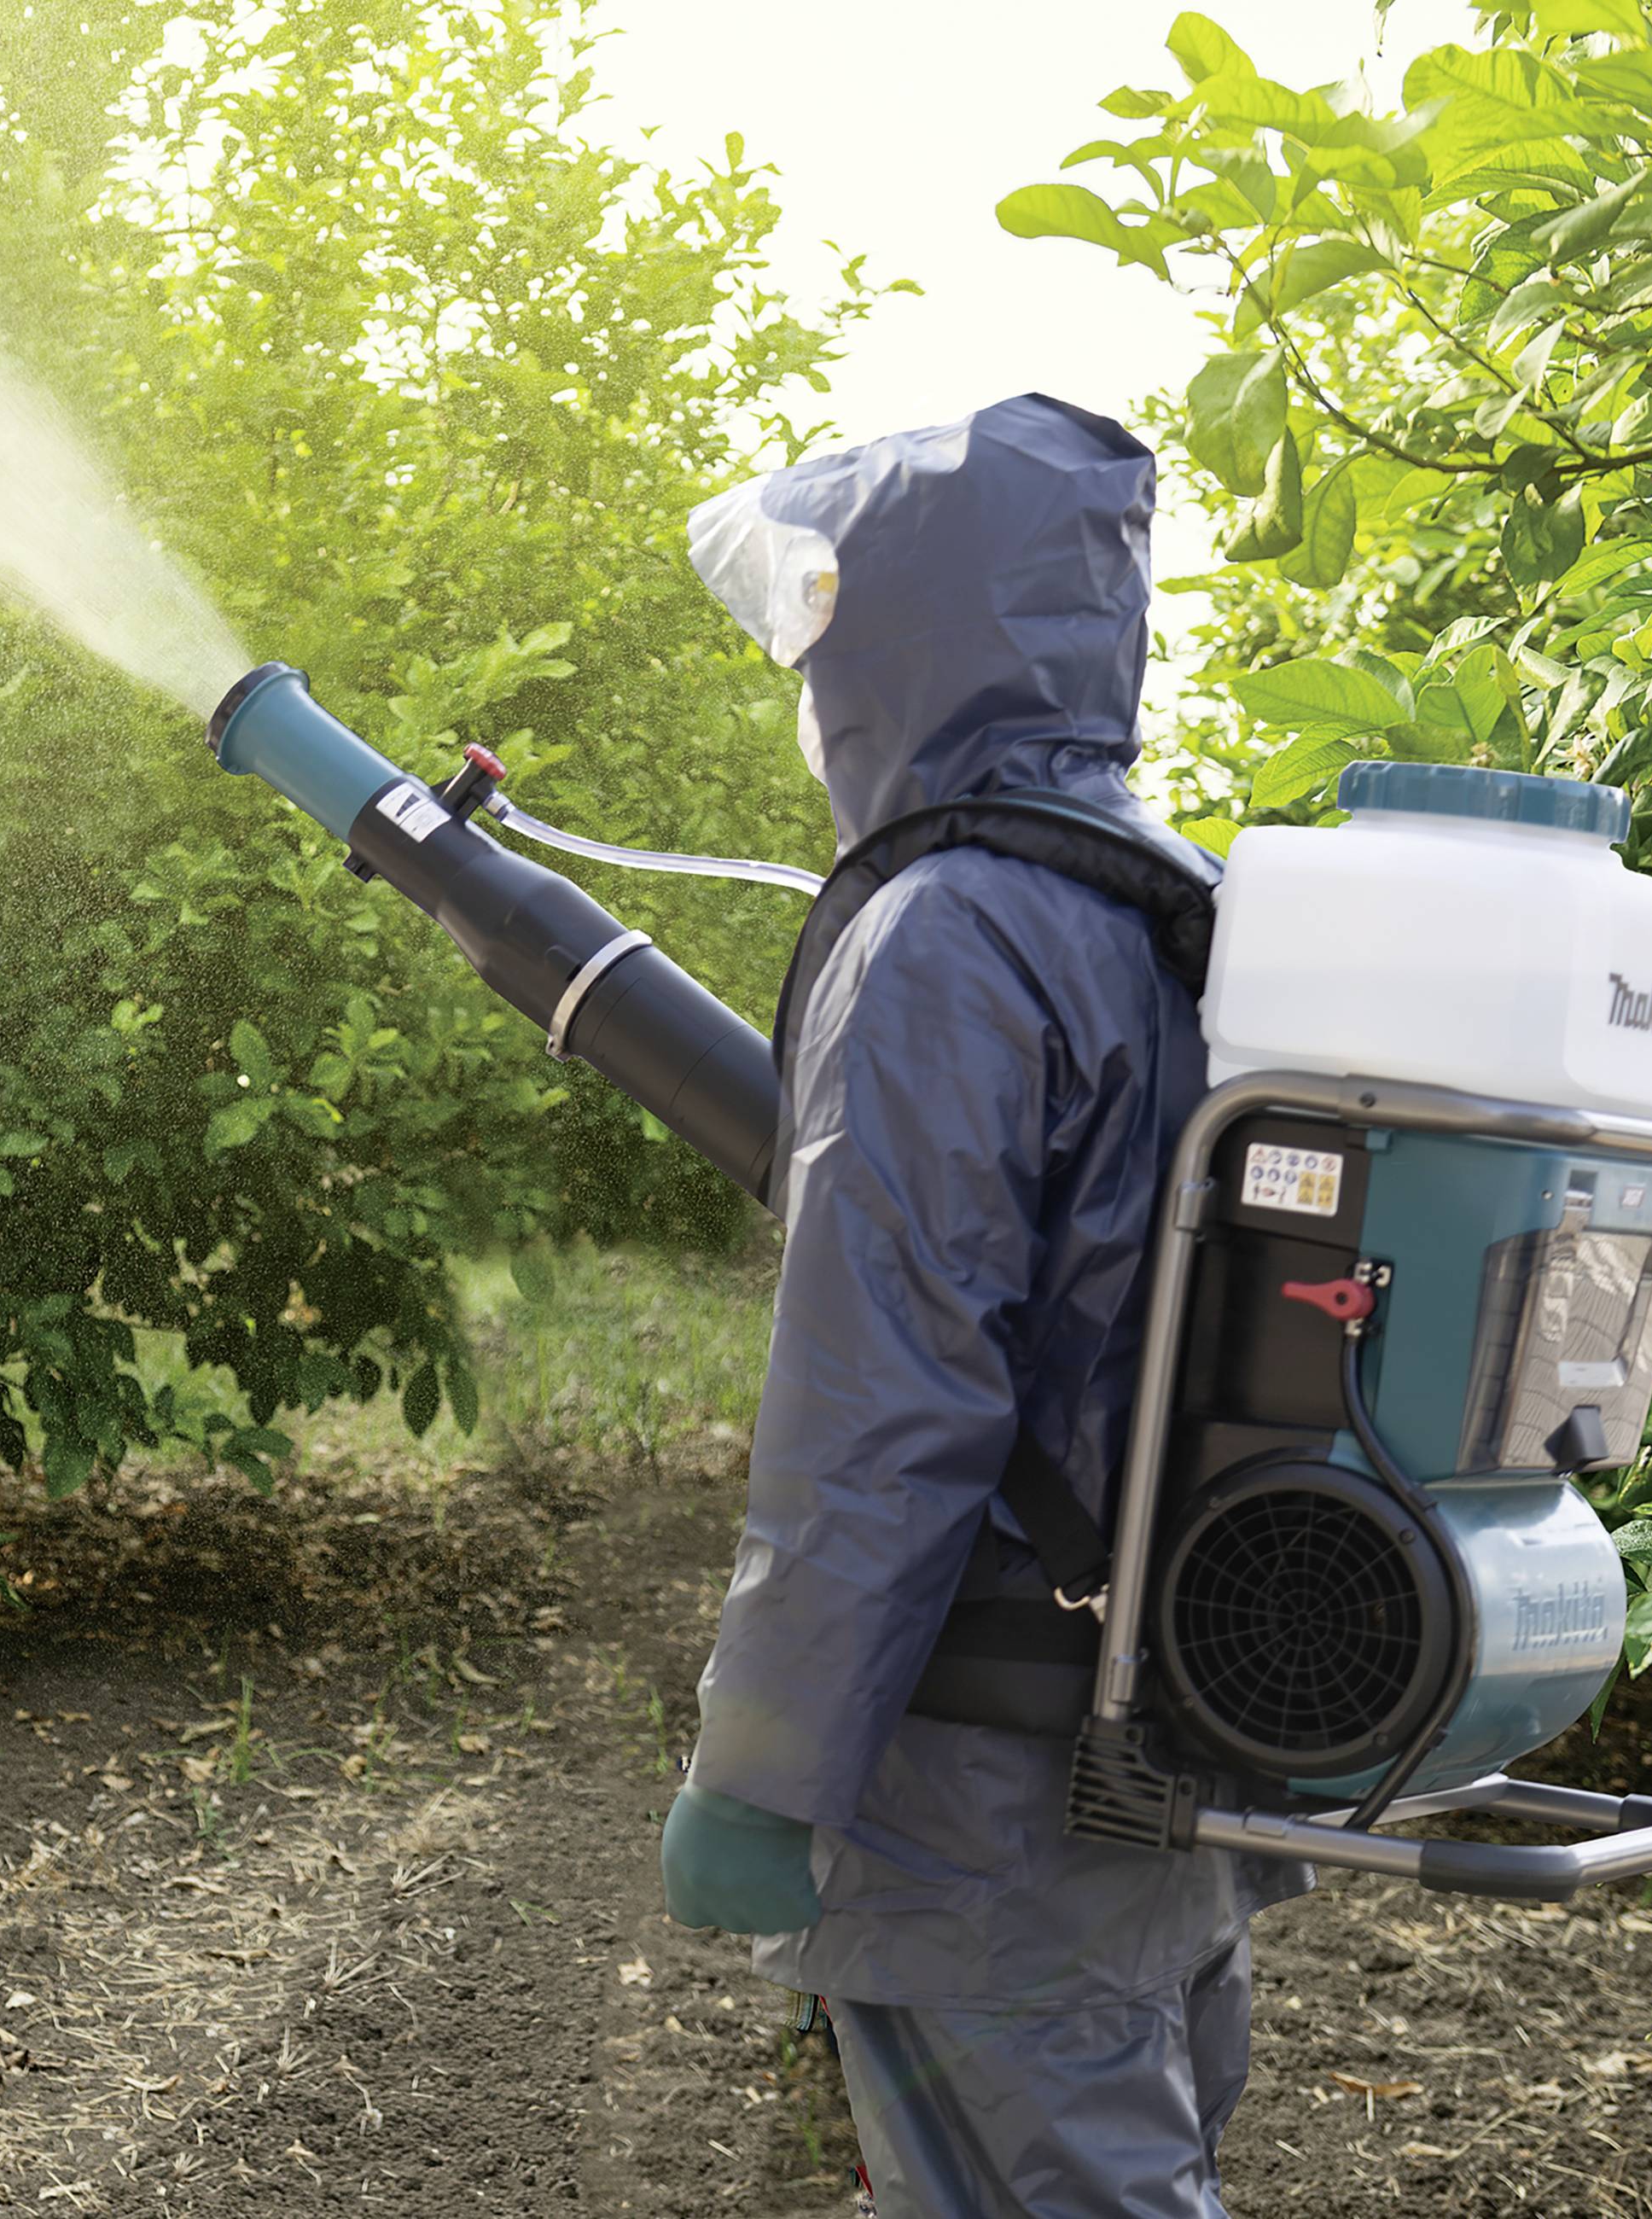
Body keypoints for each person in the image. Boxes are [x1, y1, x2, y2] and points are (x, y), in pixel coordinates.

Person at [660, 393, 1306, 2217]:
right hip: (1157, 1742)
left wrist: (765, 1771)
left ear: (889, 652)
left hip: (984, 1805)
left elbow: (887, 1396)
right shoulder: (1171, 901)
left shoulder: (945, 930)